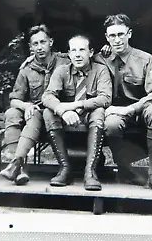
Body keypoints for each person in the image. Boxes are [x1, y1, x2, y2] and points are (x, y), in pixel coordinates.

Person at [93, 14, 152, 192]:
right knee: (110, 124)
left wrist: (131, 109)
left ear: (129, 34)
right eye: (112, 36)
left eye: (121, 34)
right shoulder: (100, 58)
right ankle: (125, 169)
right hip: (114, 112)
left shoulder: (145, 59)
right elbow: (74, 56)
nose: (117, 40)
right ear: (106, 37)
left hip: (141, 108)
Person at [0, 24, 70, 185]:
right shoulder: (26, 69)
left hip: (55, 115)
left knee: (35, 115)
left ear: (50, 42)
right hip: (34, 112)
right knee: (11, 113)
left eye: (43, 42)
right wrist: (26, 106)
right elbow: (15, 99)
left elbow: (86, 56)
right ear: (31, 47)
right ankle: (19, 167)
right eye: (35, 44)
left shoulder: (65, 61)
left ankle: (16, 165)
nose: (40, 47)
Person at [42, 34, 112, 191]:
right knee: (48, 112)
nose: (78, 54)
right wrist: (62, 111)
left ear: (91, 52)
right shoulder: (62, 71)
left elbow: (105, 98)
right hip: (67, 117)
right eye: (73, 50)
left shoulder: (100, 70)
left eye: (82, 50)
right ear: (69, 54)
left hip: (89, 113)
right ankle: (65, 168)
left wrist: (76, 105)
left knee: (99, 111)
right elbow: (47, 96)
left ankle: (90, 172)